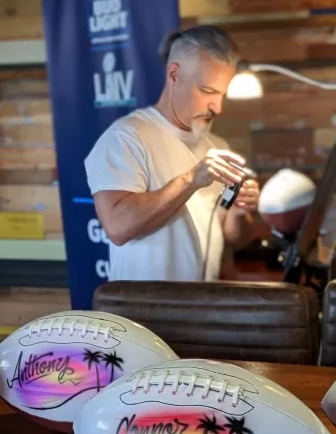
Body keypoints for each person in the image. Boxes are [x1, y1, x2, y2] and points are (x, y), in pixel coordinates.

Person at [84, 25, 259, 282]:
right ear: (174, 74)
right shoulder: (126, 137)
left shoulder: (217, 147)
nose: (218, 107)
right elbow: (118, 227)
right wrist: (190, 180)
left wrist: (241, 210)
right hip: (145, 314)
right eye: (208, 91)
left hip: (201, 310)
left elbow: (233, 237)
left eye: (223, 94)